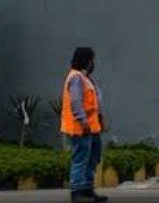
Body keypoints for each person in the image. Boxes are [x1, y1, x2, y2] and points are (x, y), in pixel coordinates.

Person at [60, 47, 108, 202]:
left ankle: (87, 188)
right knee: (80, 159)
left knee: (92, 159)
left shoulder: (86, 78)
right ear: (85, 61)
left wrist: (101, 119)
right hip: (81, 128)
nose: (93, 63)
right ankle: (77, 191)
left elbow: (94, 102)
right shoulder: (76, 78)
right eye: (91, 60)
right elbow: (76, 102)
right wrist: (83, 121)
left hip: (92, 128)